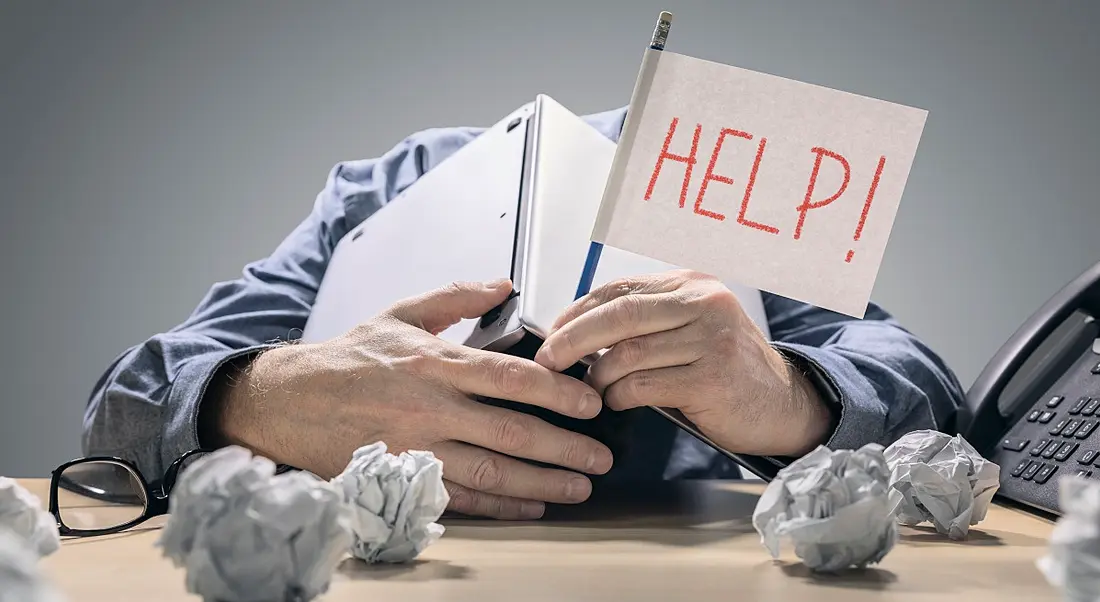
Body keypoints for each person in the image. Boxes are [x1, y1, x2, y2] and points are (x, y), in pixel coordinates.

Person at [82, 104, 966, 520]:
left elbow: (929, 387)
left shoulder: (710, 170)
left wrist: (789, 391)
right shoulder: (385, 186)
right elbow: (126, 403)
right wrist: (263, 393)